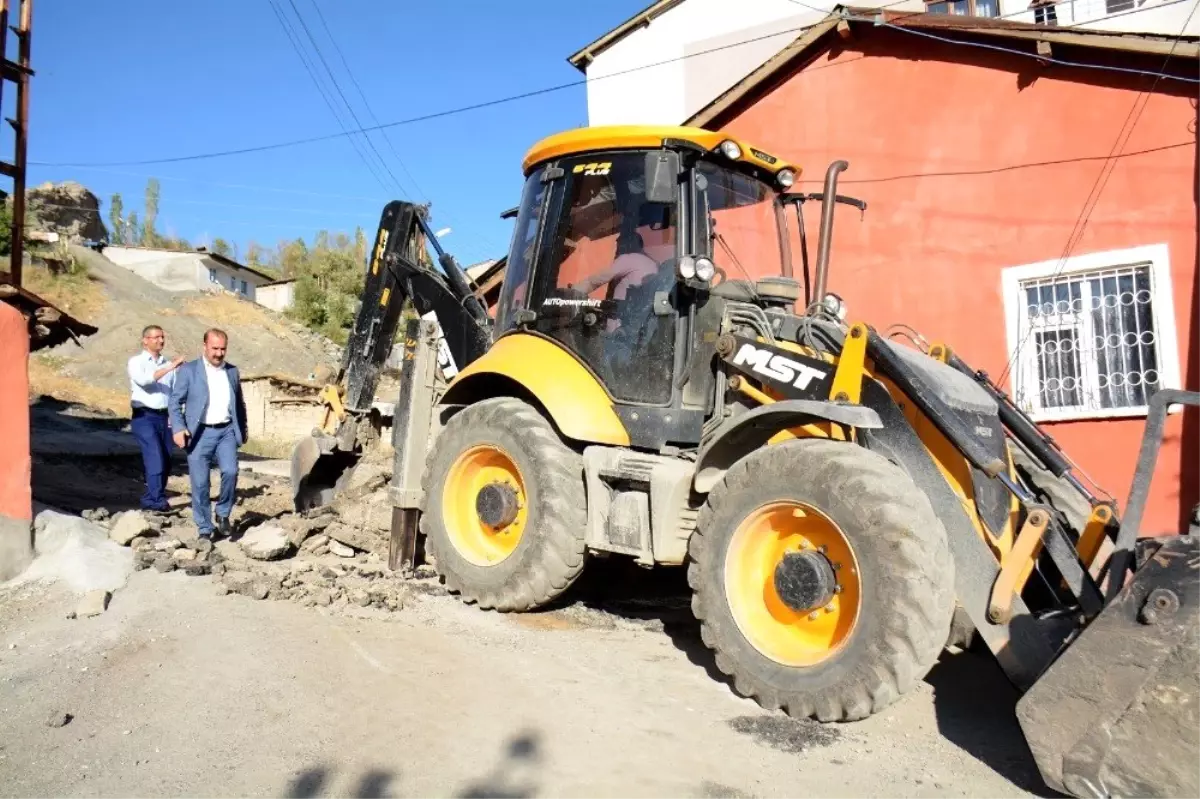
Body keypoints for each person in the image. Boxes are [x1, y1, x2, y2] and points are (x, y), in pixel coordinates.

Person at [168, 328, 248, 540]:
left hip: (226, 431)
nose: (219, 353)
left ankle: (222, 513)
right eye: (215, 348)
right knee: (201, 483)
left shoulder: (232, 371)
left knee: (230, 471)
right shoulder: (189, 371)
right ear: (204, 346)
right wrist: (178, 427)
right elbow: (175, 402)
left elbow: (239, 404)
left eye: (223, 349)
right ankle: (204, 527)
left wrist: (243, 429)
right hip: (199, 432)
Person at [127, 325, 184, 513]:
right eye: (156, 337)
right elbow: (144, 381)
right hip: (145, 416)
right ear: (145, 340)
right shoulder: (136, 362)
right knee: (155, 458)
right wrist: (171, 367)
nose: (160, 340)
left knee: (166, 460)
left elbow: (174, 392)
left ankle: (156, 497)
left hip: (164, 417)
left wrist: (176, 417)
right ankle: (153, 501)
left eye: (162, 337)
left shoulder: (166, 363)